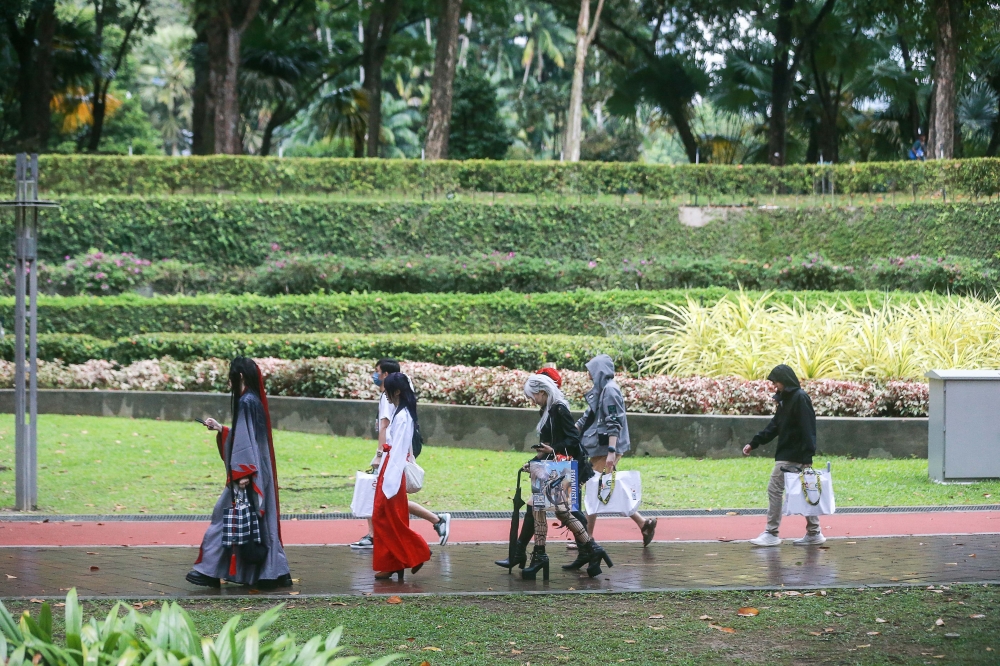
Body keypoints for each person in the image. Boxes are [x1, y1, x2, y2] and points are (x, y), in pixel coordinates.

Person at [186, 357, 291, 588]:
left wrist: (242, 473)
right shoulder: (253, 401)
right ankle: (276, 571)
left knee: (224, 518)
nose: (229, 380)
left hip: (246, 473)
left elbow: (245, 442)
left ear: (240, 376)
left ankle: (209, 571)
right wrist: (221, 429)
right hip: (254, 470)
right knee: (256, 521)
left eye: (231, 375)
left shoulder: (246, 402)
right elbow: (248, 437)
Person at [496, 374, 611, 579]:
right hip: (555, 466)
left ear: (542, 391)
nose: (532, 400)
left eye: (533, 396)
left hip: (564, 467)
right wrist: (534, 460)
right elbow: (548, 444)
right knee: (559, 512)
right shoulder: (548, 409)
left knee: (546, 508)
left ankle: (542, 555)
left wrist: (551, 449)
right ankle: (590, 550)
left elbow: (573, 439)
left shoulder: (558, 408)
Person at [350, 358, 450, 549]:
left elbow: (385, 427)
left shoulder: (394, 405)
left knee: (386, 500)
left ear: (387, 376)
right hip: (390, 458)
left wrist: (380, 455)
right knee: (389, 500)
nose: (375, 376)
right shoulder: (398, 403)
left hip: (389, 458)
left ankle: (379, 537)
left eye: (377, 372)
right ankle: (434, 521)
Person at [575, 354, 657, 546]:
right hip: (601, 448)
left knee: (594, 489)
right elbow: (588, 416)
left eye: (590, 370)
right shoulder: (601, 389)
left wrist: (612, 451)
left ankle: (587, 537)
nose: (588, 374)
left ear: (599, 370)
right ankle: (644, 524)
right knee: (603, 488)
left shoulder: (610, 391)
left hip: (606, 448)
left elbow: (614, 421)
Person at [743, 364, 826, 547]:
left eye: (776, 382)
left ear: (784, 381)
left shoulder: (799, 398)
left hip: (793, 455)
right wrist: (754, 443)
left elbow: (808, 428)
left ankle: (772, 533)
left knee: (775, 489)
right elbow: (775, 426)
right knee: (805, 492)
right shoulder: (786, 399)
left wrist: (807, 458)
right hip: (792, 454)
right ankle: (814, 532)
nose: (775, 386)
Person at [372, 372, 432, 580]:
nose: (384, 392)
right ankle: (393, 562)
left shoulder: (404, 416)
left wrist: (390, 479)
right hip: (390, 468)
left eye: (387, 388)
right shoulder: (400, 412)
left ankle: (418, 551)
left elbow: (398, 450)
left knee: (386, 518)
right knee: (385, 518)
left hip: (393, 470)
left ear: (396, 391)